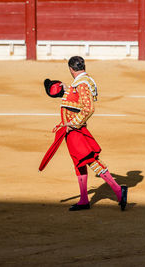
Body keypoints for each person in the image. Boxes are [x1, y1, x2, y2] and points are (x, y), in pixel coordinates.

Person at [54, 56, 127, 211]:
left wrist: (72, 124)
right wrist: (68, 90)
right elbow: (79, 100)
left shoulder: (82, 83)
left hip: (75, 129)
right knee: (78, 162)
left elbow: (89, 108)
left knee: (89, 159)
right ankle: (84, 200)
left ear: (70, 69)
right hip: (72, 129)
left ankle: (119, 191)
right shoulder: (80, 82)